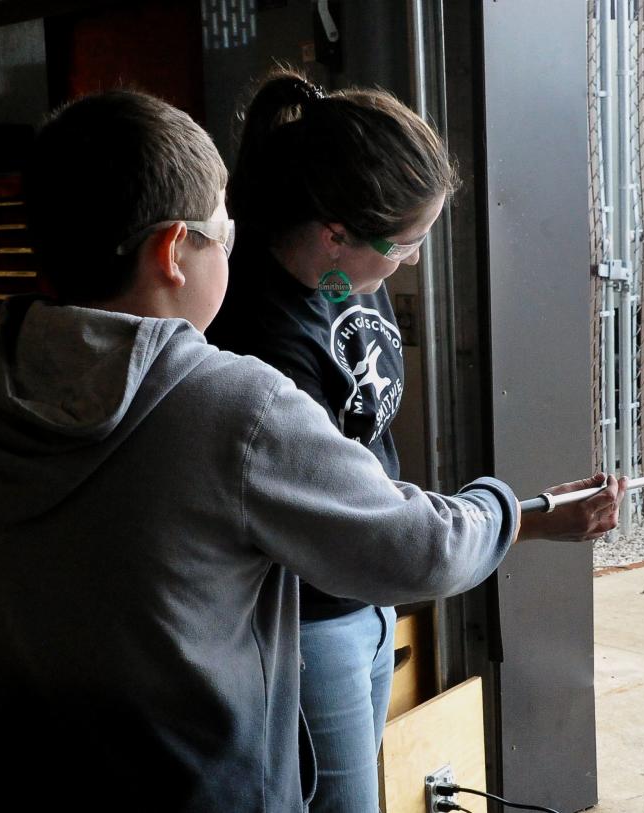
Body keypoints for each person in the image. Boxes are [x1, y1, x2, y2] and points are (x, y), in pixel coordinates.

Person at [0, 89, 623, 813]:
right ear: (173, 250)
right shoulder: (231, 404)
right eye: (223, 233)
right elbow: (417, 547)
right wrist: (510, 508)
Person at [205, 69, 483, 813]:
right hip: (307, 614)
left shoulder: (349, 271)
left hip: (363, 593)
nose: (413, 260)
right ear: (335, 232)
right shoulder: (261, 336)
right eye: (407, 243)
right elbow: (324, 505)